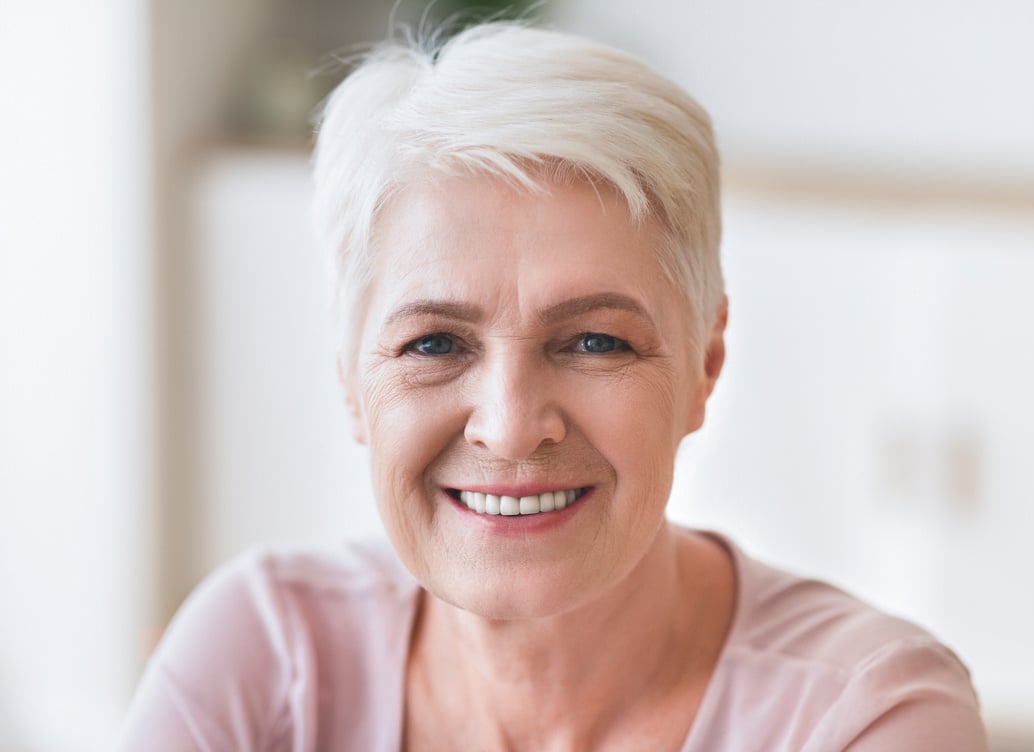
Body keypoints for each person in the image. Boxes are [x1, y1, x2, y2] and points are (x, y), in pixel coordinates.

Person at [118, 22, 989, 751]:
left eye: (596, 341)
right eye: (435, 342)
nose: (508, 425)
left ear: (704, 364)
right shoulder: (262, 658)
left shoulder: (866, 715)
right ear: (351, 377)